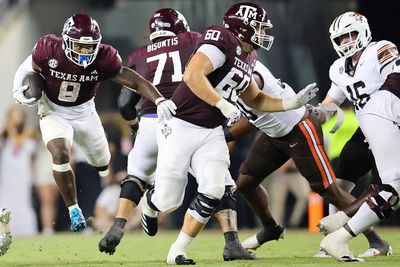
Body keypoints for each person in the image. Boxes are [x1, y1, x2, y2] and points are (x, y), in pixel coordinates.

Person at [140, 2, 318, 265]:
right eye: (258, 27)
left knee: (213, 189)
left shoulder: (249, 56)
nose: (262, 32)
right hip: (180, 125)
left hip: (211, 130)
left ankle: (177, 250)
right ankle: (150, 203)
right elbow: (192, 75)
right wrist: (222, 103)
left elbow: (255, 98)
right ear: (243, 26)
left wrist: (290, 104)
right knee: (169, 200)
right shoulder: (220, 37)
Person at [98, 8, 254, 261]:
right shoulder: (193, 39)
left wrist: (135, 126)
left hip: (151, 120)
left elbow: (126, 102)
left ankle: (119, 223)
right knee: (221, 183)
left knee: (137, 174)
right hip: (188, 118)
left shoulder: (140, 53)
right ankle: (231, 239)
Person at [12, 13, 176, 232]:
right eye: (79, 46)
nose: (85, 52)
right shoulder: (49, 48)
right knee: (60, 153)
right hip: (53, 110)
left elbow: (133, 79)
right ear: (67, 41)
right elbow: (27, 68)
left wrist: (158, 98)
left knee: (101, 161)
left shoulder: (104, 57)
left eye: (89, 47)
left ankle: (101, 170)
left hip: (85, 111)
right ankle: (74, 210)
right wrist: (18, 91)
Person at [219, 59, 386, 257]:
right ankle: (271, 228)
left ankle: (376, 240)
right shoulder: (231, 72)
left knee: (328, 190)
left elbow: (251, 108)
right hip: (273, 132)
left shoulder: (247, 74)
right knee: (246, 181)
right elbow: (251, 115)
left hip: (299, 128)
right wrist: (224, 136)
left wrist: (223, 136)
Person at [311, 11, 400, 261]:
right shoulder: (338, 68)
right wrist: (310, 113)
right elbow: (330, 104)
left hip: (388, 122)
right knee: (340, 183)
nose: (347, 42)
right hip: (367, 128)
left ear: (363, 31)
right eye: (341, 38)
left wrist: (386, 108)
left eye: (351, 35)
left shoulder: (380, 49)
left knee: (387, 190)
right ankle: (332, 238)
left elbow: (395, 77)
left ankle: (340, 229)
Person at [0, 107, 38, 236]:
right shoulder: (4, 136)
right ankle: (5, 229)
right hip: (7, 174)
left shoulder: (28, 132)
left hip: (22, 174)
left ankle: (25, 229)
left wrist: (11, 129)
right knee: (5, 200)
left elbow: (17, 143)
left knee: (22, 199)